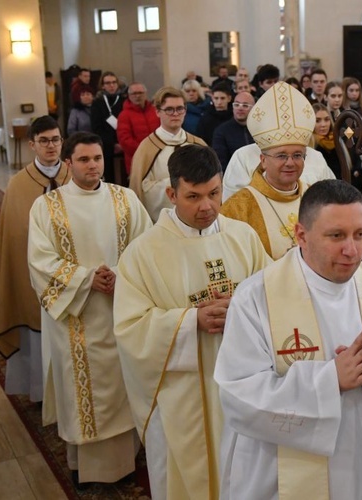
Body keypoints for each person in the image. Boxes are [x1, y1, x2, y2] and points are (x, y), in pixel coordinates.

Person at [215, 179, 362, 500]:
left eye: (360, 234)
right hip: (284, 473)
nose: (351, 250)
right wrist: (330, 380)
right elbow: (238, 396)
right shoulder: (257, 297)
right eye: (336, 236)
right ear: (301, 235)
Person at [114, 144, 270, 500]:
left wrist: (244, 310)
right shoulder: (143, 253)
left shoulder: (243, 237)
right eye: (193, 196)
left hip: (241, 385)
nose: (207, 207)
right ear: (171, 194)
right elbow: (130, 328)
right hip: (182, 394)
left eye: (214, 193)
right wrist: (190, 321)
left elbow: (271, 297)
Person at [28, 132, 152, 486]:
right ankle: (86, 468)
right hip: (75, 316)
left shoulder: (124, 198)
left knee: (122, 382)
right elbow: (39, 261)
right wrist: (86, 279)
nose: (93, 165)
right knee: (84, 390)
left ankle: (127, 460)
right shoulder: (47, 207)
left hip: (121, 308)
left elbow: (147, 247)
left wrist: (119, 276)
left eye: (97, 158)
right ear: (68, 163)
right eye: (83, 160)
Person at [0, 116, 71, 402]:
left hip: (73, 273)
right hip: (34, 274)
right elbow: (13, 237)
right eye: (44, 141)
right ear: (31, 145)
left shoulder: (76, 176)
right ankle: (41, 392)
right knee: (38, 326)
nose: (51, 146)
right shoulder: (18, 185)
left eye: (56, 139)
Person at [220, 82, 314, 259]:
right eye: (281, 156)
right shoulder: (238, 207)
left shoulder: (316, 198)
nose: (290, 163)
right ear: (263, 161)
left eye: (297, 155)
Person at [130, 87, 206, 222]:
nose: (175, 114)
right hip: (160, 223)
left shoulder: (198, 144)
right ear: (158, 112)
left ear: (185, 111)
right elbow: (141, 190)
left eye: (180, 109)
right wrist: (180, 185)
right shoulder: (147, 148)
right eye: (169, 109)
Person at [116, 82, 161, 174]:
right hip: (137, 160)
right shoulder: (124, 115)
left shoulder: (155, 111)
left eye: (140, 93)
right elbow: (125, 140)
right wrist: (145, 150)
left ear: (146, 94)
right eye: (134, 93)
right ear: (129, 95)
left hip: (159, 157)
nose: (137, 96)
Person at [90, 71, 125, 184]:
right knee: (109, 178)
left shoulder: (124, 100)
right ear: (103, 85)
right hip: (105, 145)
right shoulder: (97, 103)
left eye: (114, 82)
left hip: (123, 143)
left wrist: (121, 143)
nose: (111, 85)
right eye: (108, 83)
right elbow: (96, 127)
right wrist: (112, 144)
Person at [211, 91, 255, 168]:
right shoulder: (221, 131)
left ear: (254, 108)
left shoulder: (260, 129)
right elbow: (220, 163)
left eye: (245, 105)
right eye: (236, 105)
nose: (240, 108)